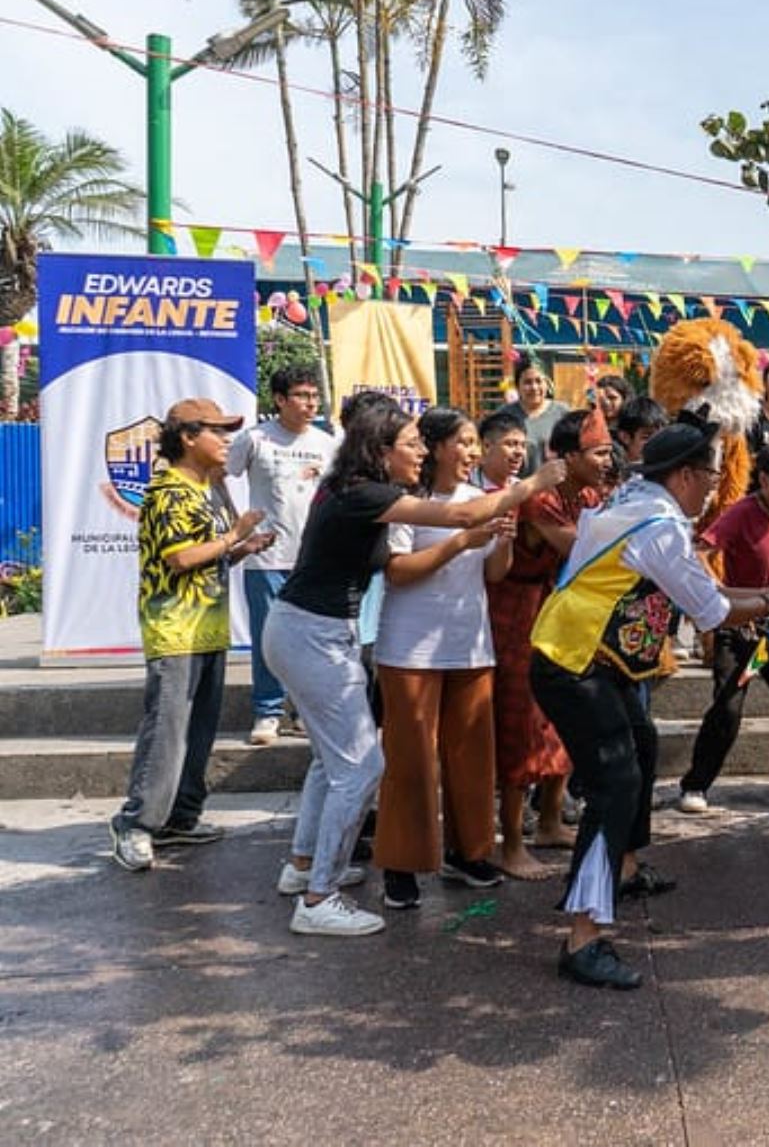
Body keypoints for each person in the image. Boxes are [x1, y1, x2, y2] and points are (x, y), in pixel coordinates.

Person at [530, 409, 769, 988]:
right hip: (576, 663)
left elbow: (701, 588)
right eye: (712, 479)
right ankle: (583, 937)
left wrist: (764, 595)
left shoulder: (635, 505)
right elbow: (710, 609)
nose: (715, 491)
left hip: (587, 657)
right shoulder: (657, 525)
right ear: (685, 475)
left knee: (642, 744)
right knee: (615, 782)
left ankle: (627, 865)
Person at [263, 401, 566, 936]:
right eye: (413, 443)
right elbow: (454, 524)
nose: (423, 451)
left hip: (321, 631)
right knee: (364, 768)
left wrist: (497, 533)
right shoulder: (370, 493)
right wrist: (532, 484)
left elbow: (483, 547)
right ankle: (319, 897)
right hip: (322, 635)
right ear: (382, 451)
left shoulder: (358, 489)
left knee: (333, 766)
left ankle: (304, 868)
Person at [109, 398, 274, 871]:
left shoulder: (208, 488)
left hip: (208, 627)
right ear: (186, 437)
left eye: (228, 432)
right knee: (166, 731)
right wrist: (233, 536)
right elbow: (179, 559)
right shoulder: (167, 491)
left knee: (199, 731)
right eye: (216, 432)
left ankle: (182, 816)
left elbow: (208, 557)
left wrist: (242, 548)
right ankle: (136, 823)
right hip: (175, 629)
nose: (226, 441)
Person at [371, 408, 513, 909]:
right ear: (435, 447)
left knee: (472, 755)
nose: (474, 453)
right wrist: (461, 542)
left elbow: (495, 574)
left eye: (476, 443)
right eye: (466, 442)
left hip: (470, 644)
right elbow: (398, 572)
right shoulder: (410, 502)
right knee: (410, 760)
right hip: (410, 647)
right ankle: (401, 864)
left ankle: (469, 852)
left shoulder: (481, 500)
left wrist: (501, 541)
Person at [488, 411, 612, 879]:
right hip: (517, 613)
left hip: (557, 610)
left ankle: (551, 821)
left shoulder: (588, 493)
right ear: (567, 457)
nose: (607, 460)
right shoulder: (540, 498)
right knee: (521, 722)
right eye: (598, 452)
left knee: (564, 715)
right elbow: (584, 551)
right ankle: (512, 843)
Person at [678, 443, 769, 811]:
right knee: (729, 705)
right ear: (762, 479)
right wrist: (724, 598)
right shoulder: (740, 513)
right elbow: (702, 552)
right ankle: (694, 786)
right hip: (738, 625)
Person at [226, 364, 336, 746]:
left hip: (314, 559)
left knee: (311, 640)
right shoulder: (254, 439)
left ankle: (305, 711)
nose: (309, 404)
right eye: (301, 396)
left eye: (313, 396)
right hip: (267, 559)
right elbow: (216, 475)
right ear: (279, 400)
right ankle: (268, 712)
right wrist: (235, 530)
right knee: (268, 638)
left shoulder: (327, 443)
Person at [501, 358, 570, 477]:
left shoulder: (562, 412)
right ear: (518, 386)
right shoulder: (504, 415)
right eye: (527, 382)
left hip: (556, 489)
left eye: (539, 381)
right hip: (518, 490)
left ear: (547, 384)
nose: (534, 387)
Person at [613, 394, 669, 466]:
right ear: (625, 437)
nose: (656, 444)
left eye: (661, 437)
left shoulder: (669, 471)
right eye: (646, 437)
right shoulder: (615, 473)